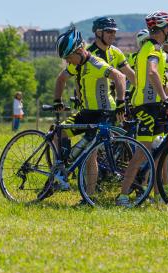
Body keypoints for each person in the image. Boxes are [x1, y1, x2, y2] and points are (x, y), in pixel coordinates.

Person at [53, 28, 126, 196]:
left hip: (103, 113)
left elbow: (120, 77)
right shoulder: (76, 64)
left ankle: (90, 194)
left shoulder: (96, 63)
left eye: (69, 57)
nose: (68, 62)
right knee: (58, 133)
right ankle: (60, 171)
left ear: (79, 50)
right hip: (86, 112)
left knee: (89, 152)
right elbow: (61, 79)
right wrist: (58, 100)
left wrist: (121, 103)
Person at [122, 11, 168, 206]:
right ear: (163, 29)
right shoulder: (154, 48)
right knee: (142, 153)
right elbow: (153, 73)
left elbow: (162, 81)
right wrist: (165, 99)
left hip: (152, 105)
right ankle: (122, 196)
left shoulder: (152, 47)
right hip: (146, 106)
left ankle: (159, 197)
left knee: (157, 154)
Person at [88, 17, 136, 92]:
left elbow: (130, 74)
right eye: (109, 31)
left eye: (114, 32)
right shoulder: (87, 54)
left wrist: (142, 89)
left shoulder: (116, 52)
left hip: (113, 101)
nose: (113, 35)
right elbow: (63, 77)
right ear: (98, 32)